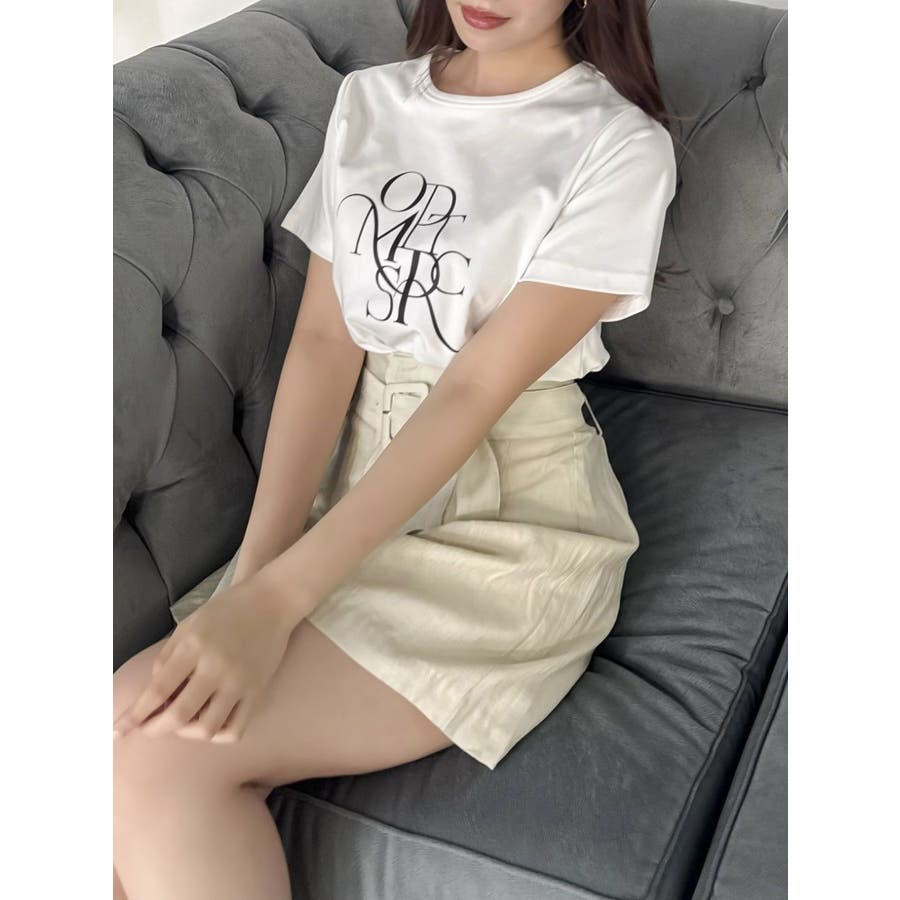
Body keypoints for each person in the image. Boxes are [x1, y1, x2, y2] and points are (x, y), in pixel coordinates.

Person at [113, 1, 678, 897]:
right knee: (115, 725)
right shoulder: (374, 100)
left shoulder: (618, 144)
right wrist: (252, 586)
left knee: (157, 757)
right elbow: (324, 343)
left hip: (505, 526)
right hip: (351, 492)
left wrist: (275, 605)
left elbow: (473, 391)